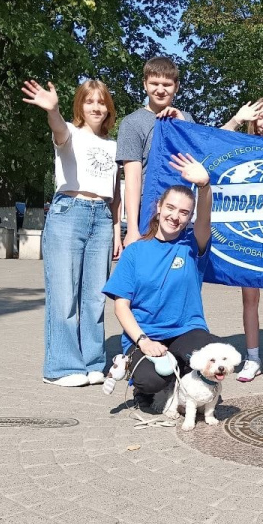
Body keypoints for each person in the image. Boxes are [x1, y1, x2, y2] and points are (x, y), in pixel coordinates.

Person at [21, 78, 122, 387]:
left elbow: (115, 195)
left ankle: (92, 362)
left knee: (94, 297)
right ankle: (61, 367)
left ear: (108, 109)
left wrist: (118, 231)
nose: (96, 107)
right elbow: (58, 130)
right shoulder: (70, 132)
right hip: (69, 213)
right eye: (90, 101)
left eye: (102, 102)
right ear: (80, 105)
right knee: (65, 294)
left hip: (102, 217)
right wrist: (52, 110)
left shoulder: (114, 145)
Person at [102, 155, 222, 409]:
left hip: (186, 330)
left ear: (189, 217)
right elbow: (120, 306)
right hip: (146, 335)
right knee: (150, 381)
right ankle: (154, 383)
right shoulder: (134, 252)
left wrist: (204, 186)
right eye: (170, 208)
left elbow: (205, 220)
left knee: (208, 357)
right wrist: (144, 341)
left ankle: (185, 376)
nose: (175, 216)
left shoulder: (192, 246)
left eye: (184, 212)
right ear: (159, 206)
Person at [220, 97, 263, 382]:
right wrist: (237, 117)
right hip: (248, 235)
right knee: (249, 299)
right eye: (260, 117)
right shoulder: (240, 147)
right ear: (252, 120)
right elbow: (213, 141)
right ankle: (252, 358)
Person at [116, 57, 194, 248]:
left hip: (182, 213)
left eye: (167, 84)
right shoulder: (132, 123)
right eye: (154, 83)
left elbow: (204, 152)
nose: (160, 89)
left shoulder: (187, 119)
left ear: (177, 86)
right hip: (148, 214)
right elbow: (132, 179)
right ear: (144, 84)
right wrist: (132, 228)